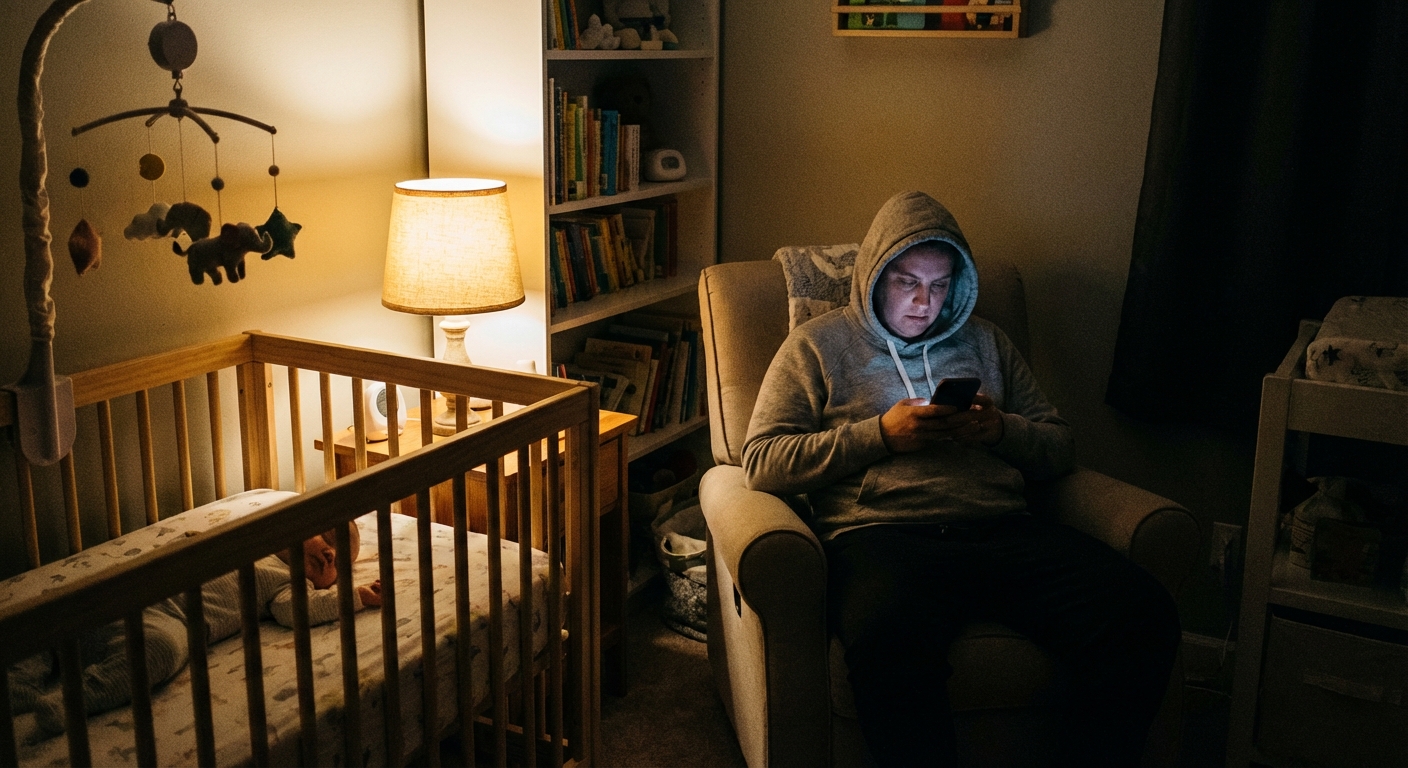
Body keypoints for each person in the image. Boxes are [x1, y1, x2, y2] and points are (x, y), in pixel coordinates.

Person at [743, 191, 1180, 766]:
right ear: (873, 276)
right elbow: (762, 460)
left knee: (1141, 611)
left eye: (940, 285)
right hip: (882, 538)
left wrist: (1001, 431)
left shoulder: (987, 341)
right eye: (907, 283)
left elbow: (1059, 447)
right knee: (887, 645)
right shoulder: (816, 347)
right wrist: (880, 435)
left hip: (1002, 529)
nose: (926, 304)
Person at [12, 524, 382, 735]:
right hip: (131, 587)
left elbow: (297, 612)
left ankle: (73, 698)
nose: (332, 554)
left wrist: (357, 596)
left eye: (341, 564)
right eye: (328, 538)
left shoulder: (287, 583)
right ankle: (19, 685)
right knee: (60, 612)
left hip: (165, 619)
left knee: (161, 650)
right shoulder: (245, 536)